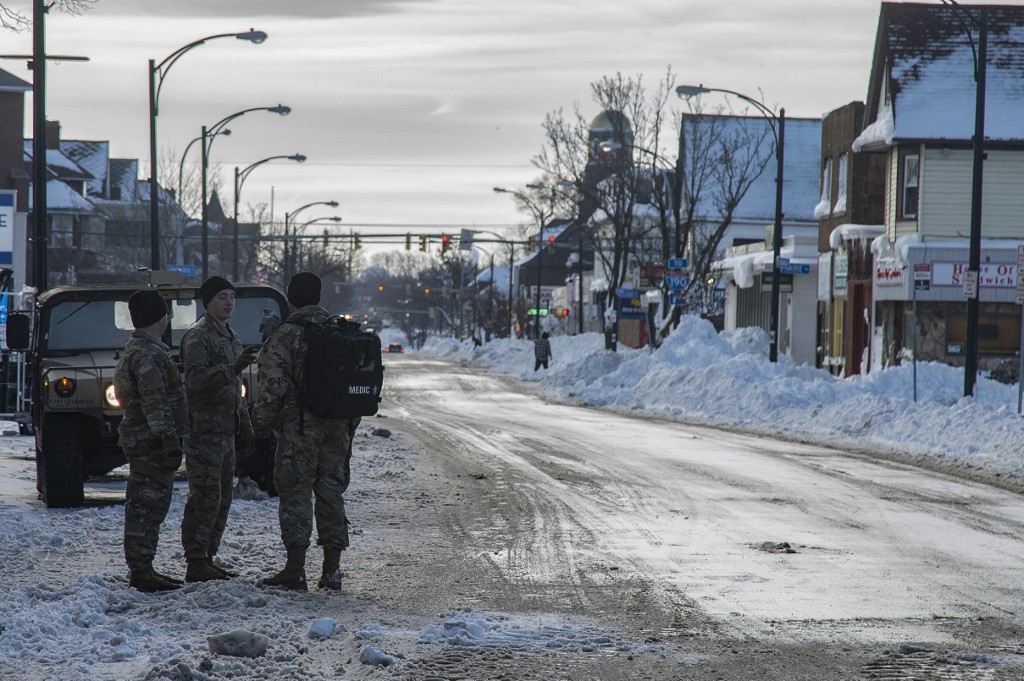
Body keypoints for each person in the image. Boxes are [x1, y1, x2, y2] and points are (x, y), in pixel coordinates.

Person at [253, 271, 359, 591]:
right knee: (330, 491)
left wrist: (260, 427)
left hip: (299, 425)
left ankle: (295, 569)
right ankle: (332, 570)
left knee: (296, 490)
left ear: (290, 299)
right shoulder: (339, 331)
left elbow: (273, 385)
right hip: (337, 425)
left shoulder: (286, 334)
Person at [179, 276, 259, 582]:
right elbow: (195, 382)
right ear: (208, 301)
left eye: (232, 297)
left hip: (226, 430)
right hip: (204, 431)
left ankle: (208, 557)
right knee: (205, 496)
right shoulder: (199, 336)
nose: (229, 302)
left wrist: (247, 425)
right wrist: (233, 367)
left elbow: (235, 389)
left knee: (223, 496)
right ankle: (195, 559)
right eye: (222, 296)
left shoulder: (229, 335)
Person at [113, 289, 189, 592]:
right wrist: (168, 439)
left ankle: (143, 568)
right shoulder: (148, 354)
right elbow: (155, 400)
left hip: (145, 439)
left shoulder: (139, 349)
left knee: (149, 504)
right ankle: (141, 571)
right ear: (162, 318)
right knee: (146, 506)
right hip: (151, 442)